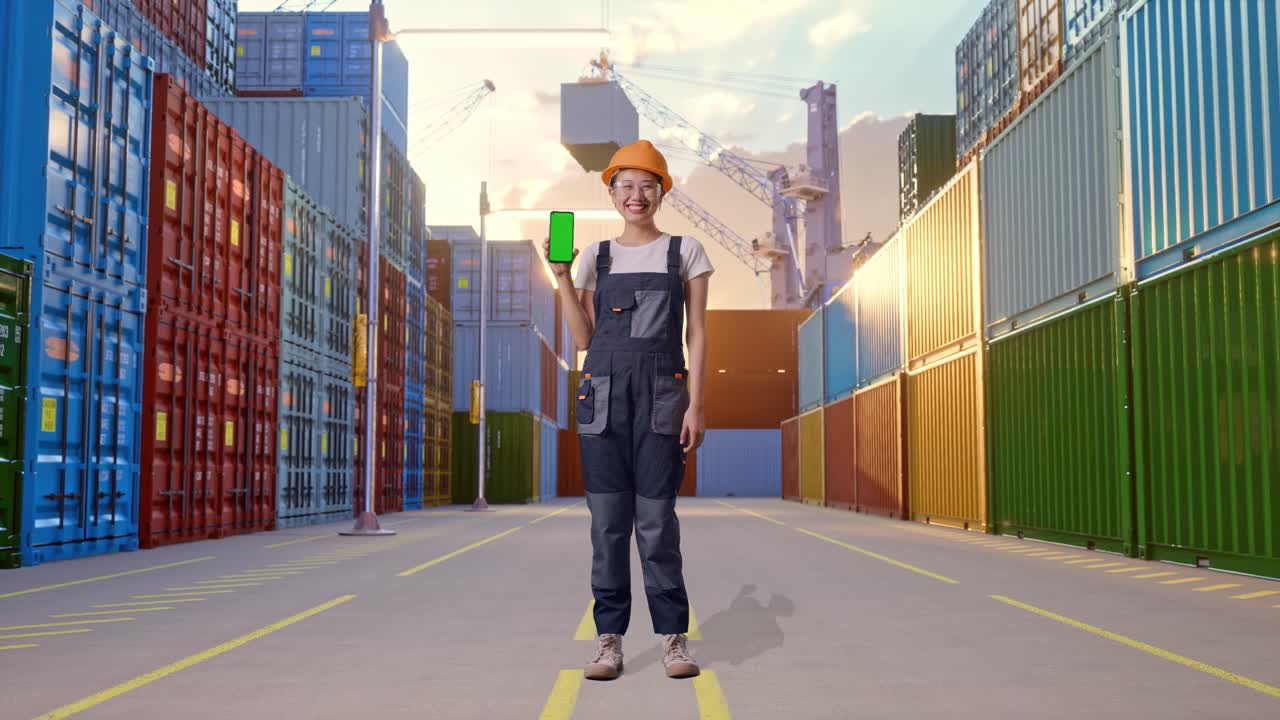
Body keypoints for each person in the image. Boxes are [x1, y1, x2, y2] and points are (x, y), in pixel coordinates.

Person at [543, 140, 714, 681]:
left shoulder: (686, 252)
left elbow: (699, 332)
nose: (636, 196)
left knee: (657, 524)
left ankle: (672, 639)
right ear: (612, 191)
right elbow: (582, 337)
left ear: (662, 191)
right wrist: (563, 276)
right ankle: (610, 641)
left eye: (647, 185)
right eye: (626, 186)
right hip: (603, 401)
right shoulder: (594, 255)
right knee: (608, 527)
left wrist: (698, 405)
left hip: (663, 397)